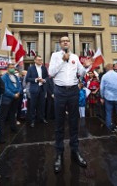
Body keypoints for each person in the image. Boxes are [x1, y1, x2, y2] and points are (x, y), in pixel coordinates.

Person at [48, 35, 93, 173]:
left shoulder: (75, 57)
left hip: (73, 90)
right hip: (60, 91)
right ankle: (59, 154)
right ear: (60, 44)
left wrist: (87, 66)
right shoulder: (55, 56)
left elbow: (81, 73)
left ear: (69, 43)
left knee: (74, 122)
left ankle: (75, 152)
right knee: (59, 124)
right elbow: (51, 72)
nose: (65, 42)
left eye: (67, 41)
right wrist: (63, 61)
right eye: (63, 41)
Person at [0, 63, 22, 143]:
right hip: (7, 100)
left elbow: (19, 85)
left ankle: (13, 128)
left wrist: (18, 92)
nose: (12, 69)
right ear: (7, 68)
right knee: (2, 118)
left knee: (13, 114)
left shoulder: (16, 77)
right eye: (11, 68)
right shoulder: (4, 77)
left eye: (13, 68)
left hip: (15, 98)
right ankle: (1, 136)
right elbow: (5, 89)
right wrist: (13, 94)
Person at [26, 55, 49, 127]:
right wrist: (36, 79)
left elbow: (47, 77)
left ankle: (42, 118)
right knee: (33, 105)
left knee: (42, 105)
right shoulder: (30, 68)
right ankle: (32, 120)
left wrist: (44, 80)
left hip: (42, 89)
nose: (40, 61)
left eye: (41, 60)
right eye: (39, 60)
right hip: (34, 89)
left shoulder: (44, 68)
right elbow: (27, 79)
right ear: (35, 61)